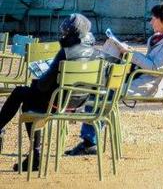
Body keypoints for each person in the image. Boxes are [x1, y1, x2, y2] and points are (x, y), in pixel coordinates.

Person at [67, 1, 163, 156]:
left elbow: (155, 67)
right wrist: (129, 52)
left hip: (151, 85)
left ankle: (89, 140)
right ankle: (89, 138)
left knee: (102, 91)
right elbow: (150, 63)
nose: (151, 21)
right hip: (142, 78)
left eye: (154, 18)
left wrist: (130, 54)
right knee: (101, 81)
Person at [0, 13, 104, 171]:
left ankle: (34, 155)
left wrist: (38, 78)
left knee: (22, 94)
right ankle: (33, 158)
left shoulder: (66, 52)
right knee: (28, 99)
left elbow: (43, 85)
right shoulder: (96, 54)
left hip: (56, 102)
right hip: (78, 103)